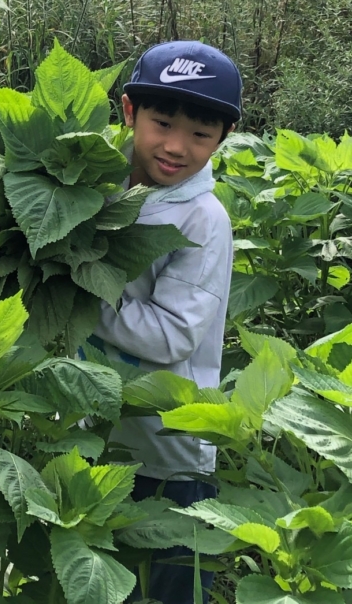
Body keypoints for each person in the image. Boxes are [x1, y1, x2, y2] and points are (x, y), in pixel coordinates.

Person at [89, 40, 242, 604]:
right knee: (102, 580)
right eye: (162, 122)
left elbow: (172, 334)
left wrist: (80, 292)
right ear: (129, 111)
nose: (176, 146)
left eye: (200, 134)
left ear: (222, 139)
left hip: (169, 448)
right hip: (98, 430)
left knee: (169, 584)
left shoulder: (203, 218)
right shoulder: (102, 186)